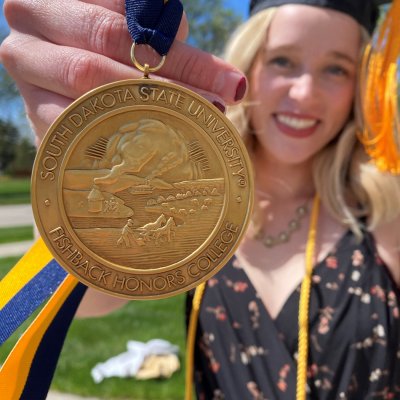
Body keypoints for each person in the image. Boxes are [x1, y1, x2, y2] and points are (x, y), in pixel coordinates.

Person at [1, 0, 399, 399]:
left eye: (336, 68)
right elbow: (85, 300)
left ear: (363, 85)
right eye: (282, 61)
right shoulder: (206, 203)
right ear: (250, 64)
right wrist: (64, 136)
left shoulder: (383, 212)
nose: (305, 92)